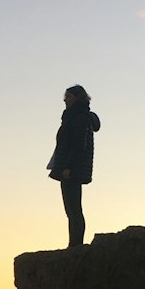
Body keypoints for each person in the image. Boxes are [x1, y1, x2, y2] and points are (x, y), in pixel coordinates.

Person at [47, 85, 100, 247]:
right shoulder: (75, 117)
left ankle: (75, 245)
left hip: (70, 170)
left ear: (77, 98)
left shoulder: (79, 117)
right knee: (72, 209)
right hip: (69, 168)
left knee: (73, 209)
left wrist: (68, 167)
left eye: (68, 97)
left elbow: (79, 145)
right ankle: (74, 243)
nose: (65, 100)